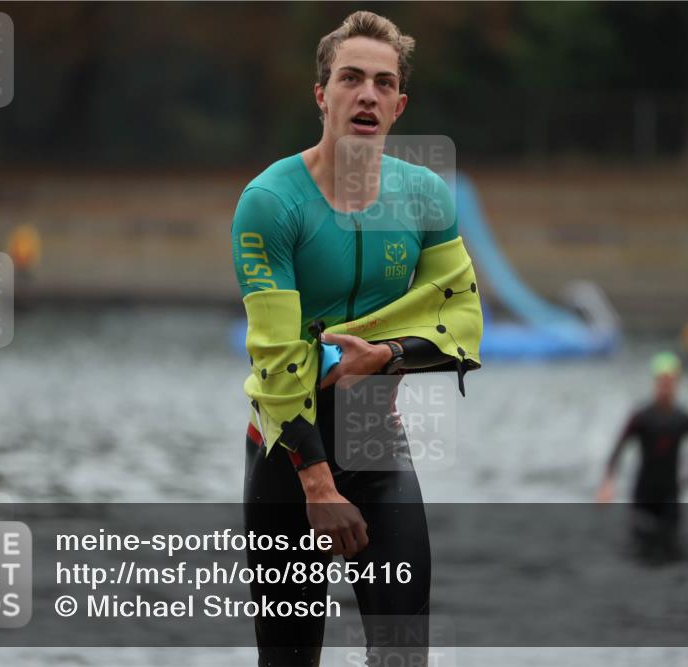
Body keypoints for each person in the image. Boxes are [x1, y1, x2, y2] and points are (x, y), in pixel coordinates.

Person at [231, 11, 483, 666]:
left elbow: (461, 319)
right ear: (322, 94)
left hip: (376, 444)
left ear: (399, 105)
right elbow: (278, 355)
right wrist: (317, 482)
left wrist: (391, 354)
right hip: (288, 458)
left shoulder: (426, 197)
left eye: (381, 82)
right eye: (350, 78)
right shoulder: (269, 201)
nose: (365, 94)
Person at [597, 352, 688, 562]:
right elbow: (618, 448)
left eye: (670, 382)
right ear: (655, 382)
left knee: (673, 550)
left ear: (677, 383)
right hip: (643, 495)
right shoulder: (641, 416)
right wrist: (608, 482)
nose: (665, 386)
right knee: (639, 550)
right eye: (661, 381)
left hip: (670, 495)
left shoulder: (683, 418)